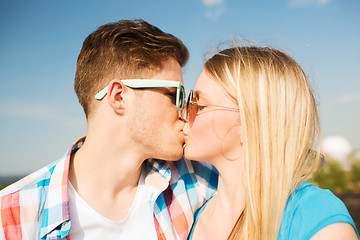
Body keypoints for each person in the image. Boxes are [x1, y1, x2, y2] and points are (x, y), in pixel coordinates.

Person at [0, 19, 218, 240]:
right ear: (119, 97)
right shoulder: (11, 216)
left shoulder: (201, 180)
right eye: (176, 96)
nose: (186, 112)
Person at [183, 46, 359, 239]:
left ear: (251, 121)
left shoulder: (315, 218)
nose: (183, 113)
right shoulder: (192, 216)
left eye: (199, 105)